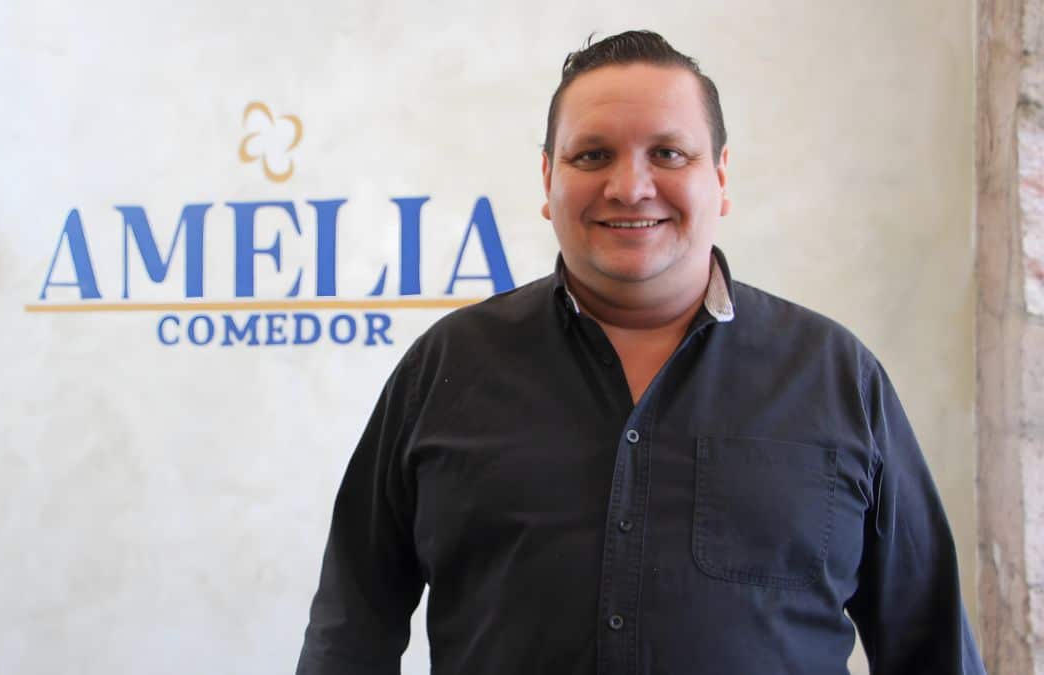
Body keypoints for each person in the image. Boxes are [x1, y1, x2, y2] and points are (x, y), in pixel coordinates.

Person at [296, 30, 985, 675]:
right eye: (592, 155)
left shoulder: (836, 378)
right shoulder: (445, 369)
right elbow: (350, 628)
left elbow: (928, 642)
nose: (629, 187)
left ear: (721, 176)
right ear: (547, 179)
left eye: (669, 153)